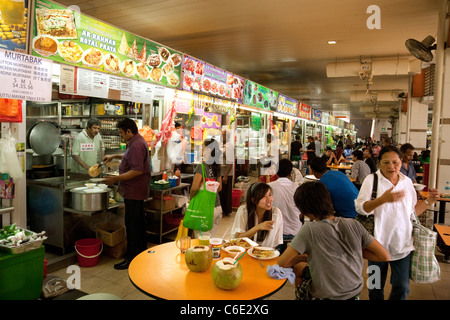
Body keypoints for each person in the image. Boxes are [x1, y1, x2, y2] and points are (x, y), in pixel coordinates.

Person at [354, 146, 440, 300]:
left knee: (402, 287)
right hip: (376, 246)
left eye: (395, 162)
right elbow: (361, 209)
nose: (391, 167)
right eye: (386, 162)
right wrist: (382, 200)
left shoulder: (407, 182)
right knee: (374, 287)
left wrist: (429, 201)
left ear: (401, 162)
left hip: (402, 245)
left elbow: (412, 212)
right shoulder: (371, 180)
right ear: (379, 162)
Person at [278, 181, 389, 300]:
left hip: (324, 296)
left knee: (299, 268)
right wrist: (349, 252)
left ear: (305, 211)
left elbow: (282, 263)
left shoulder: (309, 230)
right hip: (354, 294)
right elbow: (384, 256)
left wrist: (303, 257)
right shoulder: (353, 224)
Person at [103, 118, 151, 270]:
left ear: (128, 131)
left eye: (121, 133)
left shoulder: (136, 145)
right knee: (138, 224)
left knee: (133, 226)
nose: (121, 135)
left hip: (134, 191)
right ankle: (140, 254)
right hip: (135, 191)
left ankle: (131, 258)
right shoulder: (136, 141)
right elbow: (129, 158)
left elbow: (137, 170)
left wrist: (114, 179)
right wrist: (114, 156)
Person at [231, 182, 283, 248]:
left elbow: (275, 243)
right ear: (253, 200)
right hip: (244, 251)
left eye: (270, 195)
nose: (269, 199)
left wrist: (265, 254)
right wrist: (257, 228)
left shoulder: (276, 213)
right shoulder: (244, 211)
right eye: (263, 196)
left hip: (265, 253)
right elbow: (237, 239)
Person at [268, 159, 303, 254]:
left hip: (274, 232)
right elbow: (301, 213)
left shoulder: (269, 187)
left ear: (276, 171)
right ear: (290, 173)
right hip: (295, 232)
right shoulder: (297, 189)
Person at [190, 138, 223, 238]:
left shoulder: (202, 166)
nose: (201, 149)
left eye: (203, 146)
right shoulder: (217, 166)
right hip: (217, 207)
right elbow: (220, 187)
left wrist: (192, 200)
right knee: (210, 240)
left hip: (204, 209)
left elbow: (194, 188)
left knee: (201, 241)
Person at [219, 130, 234, 217]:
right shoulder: (222, 146)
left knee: (225, 193)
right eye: (221, 135)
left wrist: (226, 175)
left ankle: (226, 211)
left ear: (227, 137)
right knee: (222, 192)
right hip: (221, 172)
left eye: (223, 135)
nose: (222, 136)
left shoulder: (229, 147)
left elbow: (230, 163)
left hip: (226, 173)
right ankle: (222, 209)